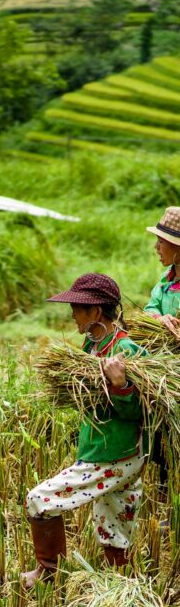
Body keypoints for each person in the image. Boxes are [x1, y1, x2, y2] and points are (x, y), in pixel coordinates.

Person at [22, 273, 145, 589]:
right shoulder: (92, 345)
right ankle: (119, 589)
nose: (72, 314)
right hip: (101, 450)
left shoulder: (126, 351)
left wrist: (121, 385)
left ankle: (49, 574)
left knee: (39, 500)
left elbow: (141, 412)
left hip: (114, 455)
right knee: (113, 528)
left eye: (78, 307)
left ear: (96, 312)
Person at [143, 207, 180, 496]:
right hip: (163, 371)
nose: (156, 247)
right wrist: (159, 320)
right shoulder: (166, 281)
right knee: (159, 434)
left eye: (162, 241)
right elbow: (149, 310)